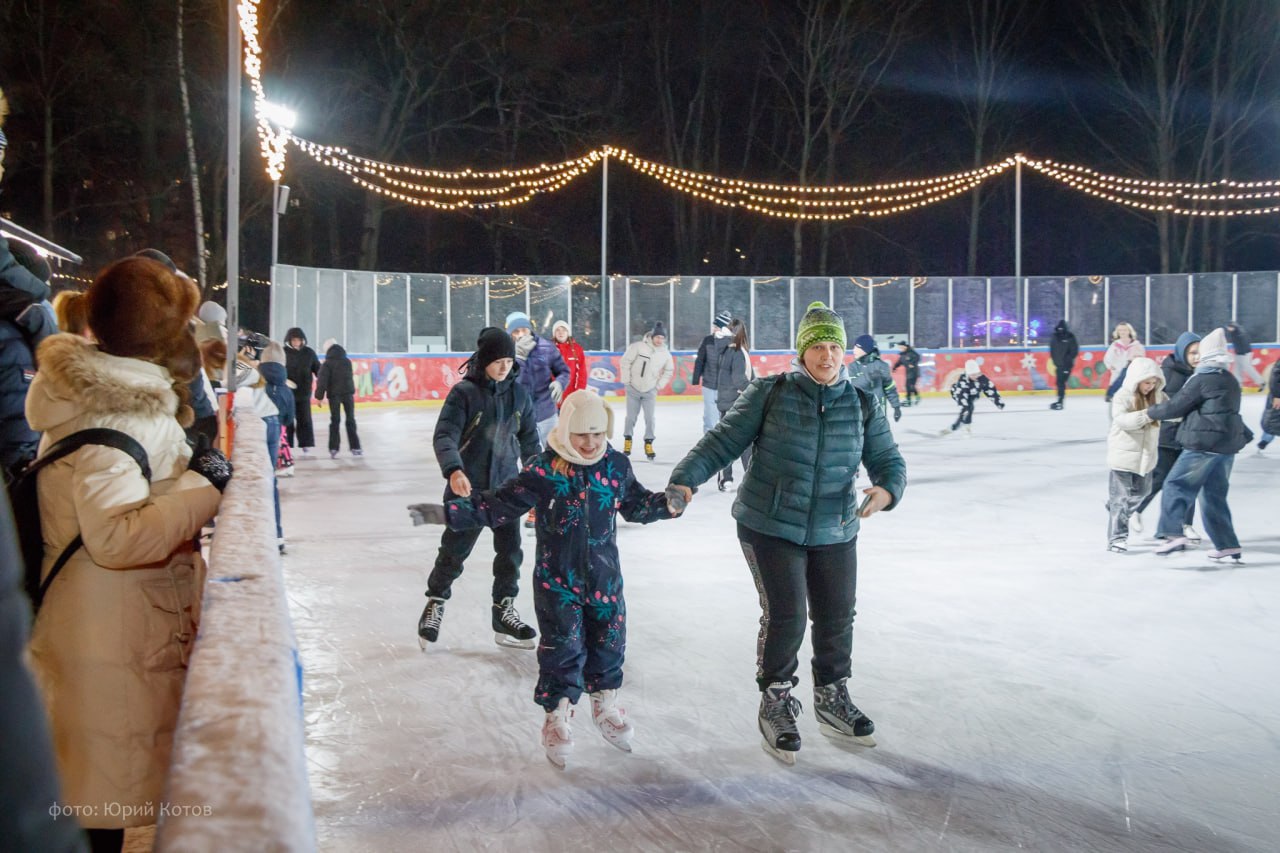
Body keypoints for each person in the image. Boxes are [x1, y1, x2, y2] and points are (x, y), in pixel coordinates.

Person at [25, 257, 231, 852]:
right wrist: (205, 482)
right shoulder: (117, 412)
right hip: (107, 637)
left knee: (100, 797)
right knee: (100, 804)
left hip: (113, 628)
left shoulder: (111, 400)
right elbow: (115, 537)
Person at [667, 301, 907, 764]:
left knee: (837, 614)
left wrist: (886, 490)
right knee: (788, 614)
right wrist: (684, 478)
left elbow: (888, 459)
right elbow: (722, 440)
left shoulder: (861, 401)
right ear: (802, 351)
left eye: (834, 346)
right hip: (769, 523)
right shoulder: (770, 392)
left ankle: (832, 695)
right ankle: (776, 700)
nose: (827, 355)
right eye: (817, 345)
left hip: (835, 526)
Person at [408, 390, 682, 768]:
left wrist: (667, 505)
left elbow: (636, 504)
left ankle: (605, 706)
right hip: (558, 583)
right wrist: (447, 513)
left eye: (598, 434)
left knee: (609, 645)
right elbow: (496, 505)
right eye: (582, 435)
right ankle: (557, 716)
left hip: (605, 580)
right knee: (562, 650)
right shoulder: (544, 469)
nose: (590, 443)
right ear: (566, 430)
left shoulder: (615, 466)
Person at [416, 327, 540, 650]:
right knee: (454, 552)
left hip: (507, 492)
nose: (504, 367)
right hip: (467, 492)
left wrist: (538, 478)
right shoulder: (464, 394)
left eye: (509, 361)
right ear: (484, 360)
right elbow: (445, 435)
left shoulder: (520, 396)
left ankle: (504, 611)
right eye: (497, 360)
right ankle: (435, 602)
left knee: (510, 554)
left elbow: (530, 442)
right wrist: (454, 469)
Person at [1147, 328, 1252, 563]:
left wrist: (1149, 412)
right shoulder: (1229, 379)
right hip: (1226, 447)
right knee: (1213, 495)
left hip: (1202, 444)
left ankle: (1172, 534)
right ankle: (1227, 545)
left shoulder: (1202, 379)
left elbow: (1176, 407)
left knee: (1175, 484)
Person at [1133, 332, 1201, 539]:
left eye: (1199, 352)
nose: (1197, 357)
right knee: (1160, 478)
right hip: (1168, 437)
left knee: (1188, 482)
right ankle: (1133, 509)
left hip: (1187, 437)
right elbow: (1165, 406)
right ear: (1182, 352)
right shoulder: (1169, 374)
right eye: (1192, 352)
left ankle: (1184, 524)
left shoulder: (1196, 373)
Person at [1105, 357, 1165, 553]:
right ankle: (1117, 539)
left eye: (1154, 383)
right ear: (1136, 379)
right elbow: (1122, 420)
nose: (1150, 386)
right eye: (1147, 382)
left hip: (1146, 458)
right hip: (1123, 456)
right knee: (1121, 499)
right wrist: (1148, 414)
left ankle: (1117, 510)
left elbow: (1173, 410)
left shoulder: (1158, 397)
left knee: (1142, 492)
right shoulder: (1122, 396)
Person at [505, 311, 569, 445]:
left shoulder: (546, 347)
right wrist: (518, 359)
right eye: (516, 331)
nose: (521, 334)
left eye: (524, 330)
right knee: (523, 456)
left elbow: (563, 371)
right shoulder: (504, 352)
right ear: (510, 334)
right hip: (517, 415)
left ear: (530, 329)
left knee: (554, 452)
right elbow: (505, 382)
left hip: (546, 412)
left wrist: (559, 383)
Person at [619, 320, 674, 460]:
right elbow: (625, 361)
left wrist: (658, 386)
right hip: (633, 389)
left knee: (650, 418)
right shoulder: (638, 347)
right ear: (652, 336)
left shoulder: (665, 354)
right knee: (631, 418)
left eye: (662, 338)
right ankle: (628, 440)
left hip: (650, 390)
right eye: (658, 337)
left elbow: (669, 370)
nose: (660, 340)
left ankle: (648, 443)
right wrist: (626, 381)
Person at [712, 318, 753, 491]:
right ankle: (746, 478)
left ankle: (727, 479)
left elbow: (747, 375)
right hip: (735, 403)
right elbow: (739, 380)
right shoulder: (736, 351)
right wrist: (753, 389)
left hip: (727, 401)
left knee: (730, 443)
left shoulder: (728, 349)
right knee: (744, 444)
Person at [315, 339, 361, 458]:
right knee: (350, 419)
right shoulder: (347, 361)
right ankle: (355, 447)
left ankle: (334, 448)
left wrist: (319, 397)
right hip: (348, 394)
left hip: (334, 395)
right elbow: (349, 378)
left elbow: (322, 381)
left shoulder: (327, 363)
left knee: (335, 420)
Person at [692, 309, 733, 431]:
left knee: (725, 415)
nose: (714, 329)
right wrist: (696, 378)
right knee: (710, 415)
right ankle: (708, 440)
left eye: (717, 327)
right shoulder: (708, 340)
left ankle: (723, 439)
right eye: (714, 326)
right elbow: (700, 359)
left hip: (726, 386)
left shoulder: (731, 342)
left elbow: (736, 364)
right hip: (709, 383)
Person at [848, 334, 902, 423]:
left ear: (865, 349)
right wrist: (869, 377)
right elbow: (854, 385)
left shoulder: (882, 366)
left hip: (878, 412)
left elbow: (889, 388)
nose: (854, 350)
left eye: (857, 347)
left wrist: (896, 407)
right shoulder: (853, 366)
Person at [284, 327, 320, 454]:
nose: (296, 342)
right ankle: (287, 443)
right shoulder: (284, 353)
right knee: (288, 419)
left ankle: (306, 443)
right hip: (287, 392)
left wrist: (322, 383)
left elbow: (318, 369)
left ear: (302, 340)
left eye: (298, 340)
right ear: (289, 340)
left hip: (304, 392)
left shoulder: (309, 353)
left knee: (304, 419)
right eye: (293, 340)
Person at [947, 359, 1003, 435]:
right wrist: (964, 405)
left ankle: (961, 426)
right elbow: (961, 394)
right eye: (972, 375)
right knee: (968, 408)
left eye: (976, 374)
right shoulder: (963, 380)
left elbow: (990, 390)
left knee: (970, 407)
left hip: (973, 394)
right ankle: (957, 426)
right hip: (959, 393)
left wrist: (998, 402)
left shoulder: (982, 379)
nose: (975, 376)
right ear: (967, 374)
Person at [1103, 322, 1145, 402]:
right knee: (1117, 381)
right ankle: (1111, 394)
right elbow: (1108, 357)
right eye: (1120, 330)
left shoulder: (1136, 344)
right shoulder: (1115, 345)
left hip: (1130, 367)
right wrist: (1110, 365)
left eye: (1125, 330)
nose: (1122, 332)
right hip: (1117, 368)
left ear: (1129, 331)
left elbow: (1141, 356)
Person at [550, 320, 588, 407]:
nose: (561, 333)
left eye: (564, 330)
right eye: (558, 330)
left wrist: (579, 392)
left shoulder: (577, 349)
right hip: (552, 398)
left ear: (568, 333)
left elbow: (582, 373)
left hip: (571, 397)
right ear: (554, 333)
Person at [1223, 321, 1265, 390]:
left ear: (1232, 327)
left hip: (1245, 353)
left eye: (1228, 327)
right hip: (1239, 353)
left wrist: (1243, 353)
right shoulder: (1233, 332)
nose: (1228, 329)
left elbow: (1245, 343)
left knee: (1247, 368)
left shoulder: (1240, 333)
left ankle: (1261, 382)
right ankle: (1238, 386)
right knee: (1237, 370)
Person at [1048, 320, 1079, 410]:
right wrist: (1055, 360)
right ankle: (1059, 401)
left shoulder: (1070, 336)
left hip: (1066, 365)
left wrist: (1067, 360)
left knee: (1061, 383)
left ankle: (1060, 402)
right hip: (1059, 364)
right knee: (1059, 383)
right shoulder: (1054, 337)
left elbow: (1074, 351)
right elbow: (1052, 349)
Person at [1258, 357, 1279, 451]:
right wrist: (1277, 396)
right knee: (1273, 420)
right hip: (1278, 396)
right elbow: (1275, 377)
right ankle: (1265, 439)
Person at [892, 341, 921, 406]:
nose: (900, 348)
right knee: (909, 386)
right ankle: (912, 398)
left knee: (910, 386)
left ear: (905, 346)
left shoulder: (911, 352)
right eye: (899, 347)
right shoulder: (902, 354)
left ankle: (911, 399)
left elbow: (917, 357)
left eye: (901, 347)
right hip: (908, 372)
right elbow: (899, 362)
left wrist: (912, 363)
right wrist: (894, 368)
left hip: (914, 371)